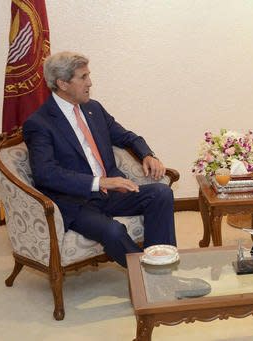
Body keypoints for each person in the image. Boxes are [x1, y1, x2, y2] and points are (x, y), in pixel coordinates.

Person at [23, 51, 176, 267]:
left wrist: (147, 154)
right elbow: (45, 174)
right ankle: (150, 274)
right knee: (113, 231)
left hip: (112, 192)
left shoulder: (93, 108)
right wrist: (100, 182)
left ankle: (164, 262)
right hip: (76, 202)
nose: (90, 82)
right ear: (62, 84)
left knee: (161, 193)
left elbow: (126, 136)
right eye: (83, 77)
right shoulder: (39, 123)